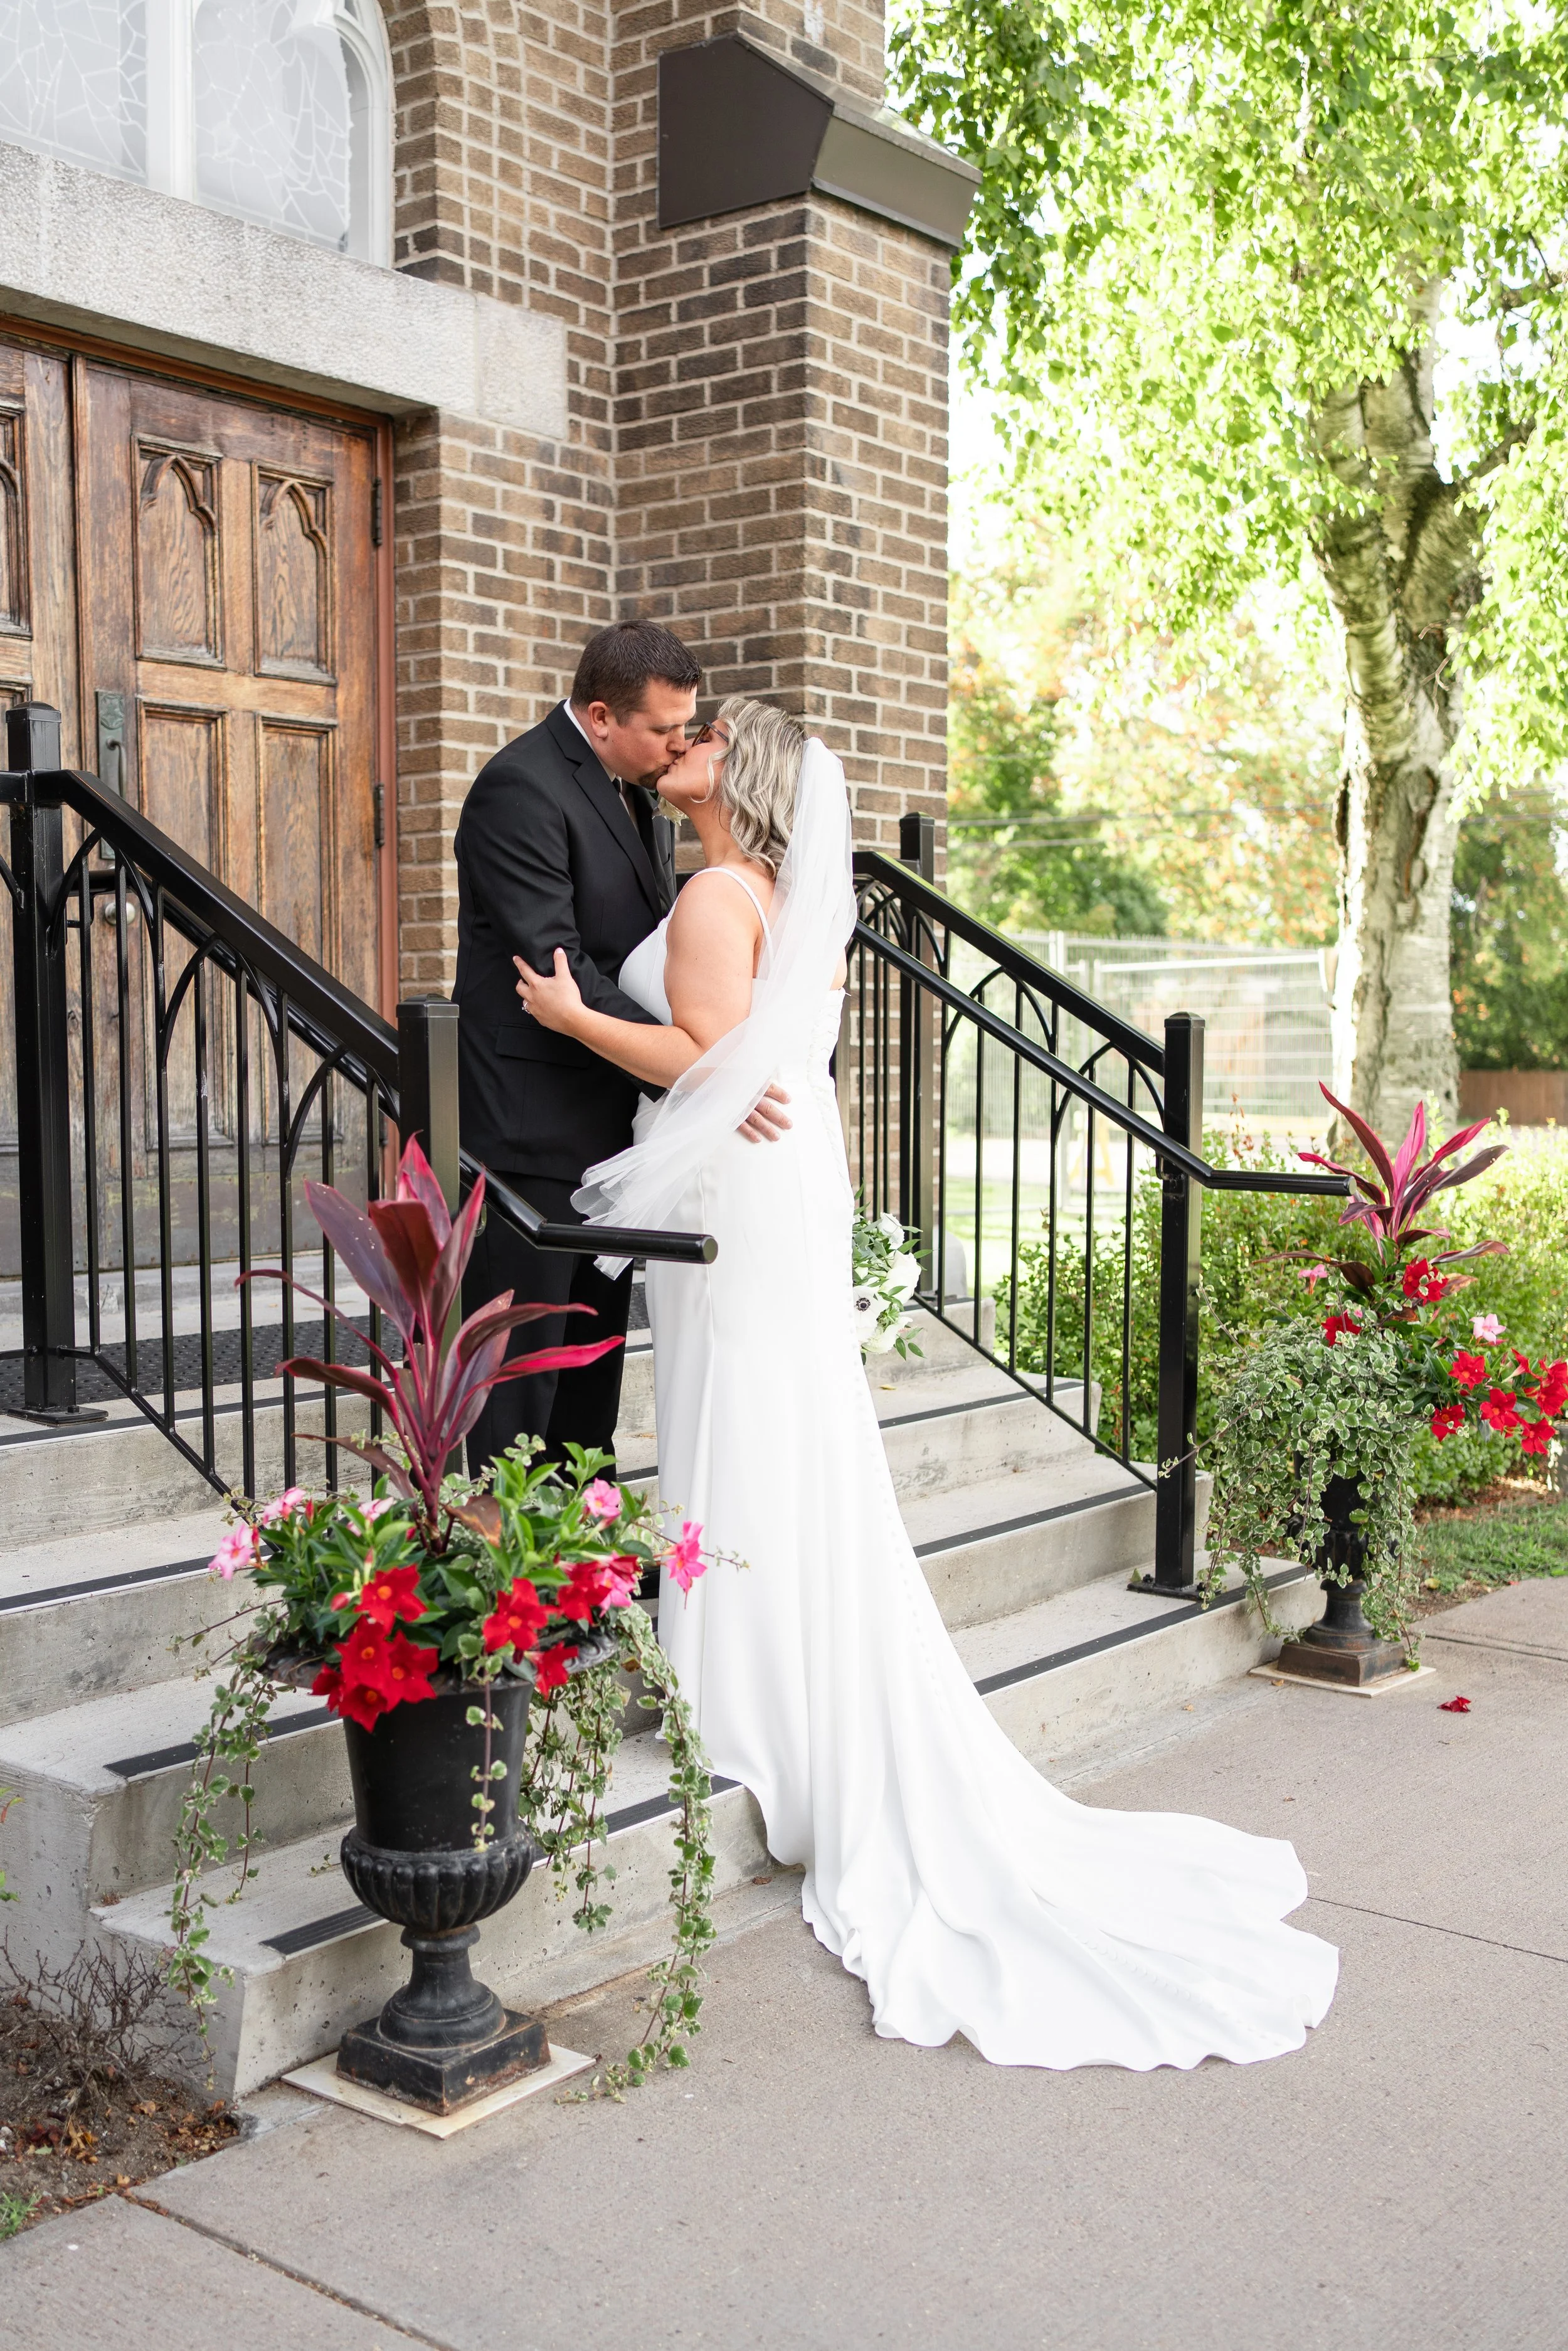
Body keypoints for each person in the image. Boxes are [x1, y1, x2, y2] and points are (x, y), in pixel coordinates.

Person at [514, 699, 1340, 2072]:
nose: (686, 747)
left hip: (737, 1190)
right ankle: (756, 1682)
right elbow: (760, 1057)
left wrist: (568, 1011)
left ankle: (745, 1701)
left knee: (750, 1426)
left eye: (707, 738)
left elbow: (709, 1057)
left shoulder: (721, 887)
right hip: (770, 1183)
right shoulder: (772, 891)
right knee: (778, 1429)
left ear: (745, 777)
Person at [453, 620, 789, 1476]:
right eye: (665, 728)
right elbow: (558, 962)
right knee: (517, 1375)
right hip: (529, 1127)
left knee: (591, 1360)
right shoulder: (520, 790)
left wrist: (690, 1063)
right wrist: (702, 1066)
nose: (681, 742)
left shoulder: (637, 792)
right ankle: (506, 1579)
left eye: (690, 726)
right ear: (601, 716)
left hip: (612, 1128)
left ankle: (583, 1563)